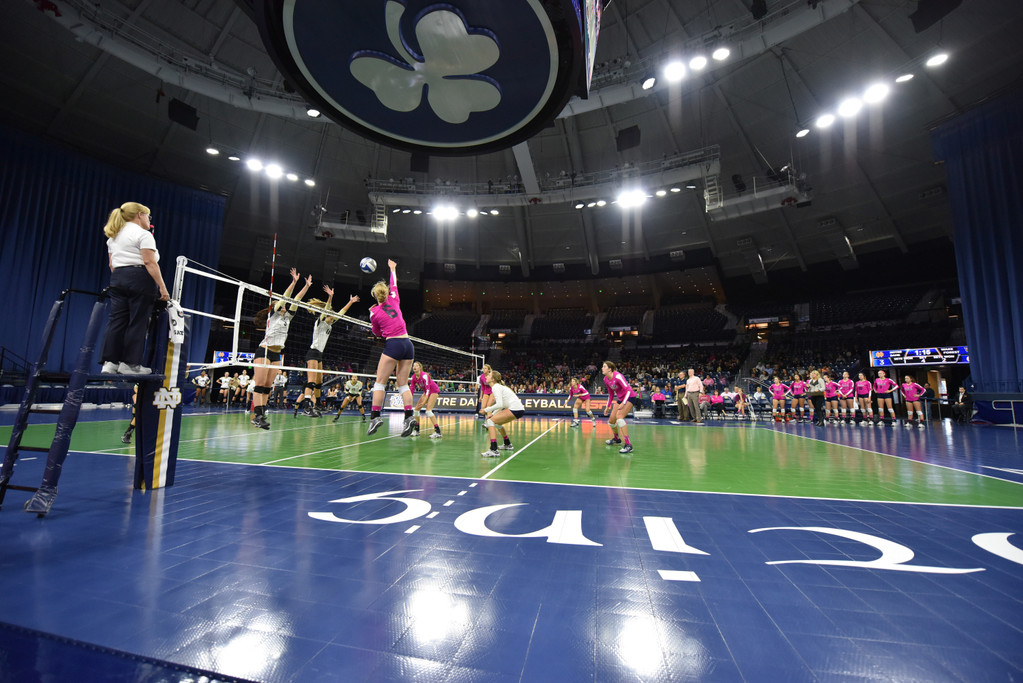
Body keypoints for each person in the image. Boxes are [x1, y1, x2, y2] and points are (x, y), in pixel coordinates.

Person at [99, 202, 170, 375]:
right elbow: (149, 262)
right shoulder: (143, 234)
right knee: (138, 321)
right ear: (139, 214)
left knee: (116, 320)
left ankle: (110, 363)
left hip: (117, 278)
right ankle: (130, 364)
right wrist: (163, 288)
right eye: (148, 216)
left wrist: (121, 279)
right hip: (139, 278)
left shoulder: (113, 236)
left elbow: (111, 264)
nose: (149, 220)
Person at [250, 268, 312, 430]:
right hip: (264, 350)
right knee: (260, 384)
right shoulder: (273, 315)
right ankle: (257, 416)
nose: (283, 305)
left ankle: (261, 416)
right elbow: (286, 297)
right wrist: (293, 282)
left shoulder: (288, 317)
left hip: (277, 353)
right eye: (280, 304)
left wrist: (306, 286)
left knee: (267, 387)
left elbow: (296, 300)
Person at [366, 259, 416, 437]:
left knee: (380, 382)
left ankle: (375, 417)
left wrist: (374, 315)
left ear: (375, 296)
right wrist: (393, 268)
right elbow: (394, 283)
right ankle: (409, 417)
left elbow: (377, 333)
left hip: (393, 344)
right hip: (408, 344)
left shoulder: (374, 312)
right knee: (403, 384)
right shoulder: (395, 300)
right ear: (387, 293)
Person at [295, 287, 358, 418]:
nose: (333, 318)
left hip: (319, 355)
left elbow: (341, 313)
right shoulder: (319, 323)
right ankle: (306, 407)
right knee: (311, 382)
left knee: (318, 382)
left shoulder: (329, 325)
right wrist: (330, 297)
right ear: (326, 316)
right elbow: (325, 310)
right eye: (331, 316)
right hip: (312, 353)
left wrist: (350, 302)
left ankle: (317, 404)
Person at [480, 370, 524, 457]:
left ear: (493, 379)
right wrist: (493, 414)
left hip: (515, 409)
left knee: (490, 422)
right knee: (497, 423)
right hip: (518, 409)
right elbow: (502, 405)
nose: (487, 376)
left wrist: (486, 410)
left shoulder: (496, 387)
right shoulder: (498, 387)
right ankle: (507, 444)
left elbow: (499, 404)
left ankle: (493, 450)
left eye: (489, 375)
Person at [602, 361, 639, 454]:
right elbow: (611, 394)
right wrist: (608, 406)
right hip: (621, 398)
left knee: (619, 417)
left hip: (630, 396)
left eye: (604, 366)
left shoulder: (618, 376)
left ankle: (628, 445)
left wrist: (624, 402)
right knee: (611, 421)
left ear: (609, 369)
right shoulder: (606, 379)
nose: (602, 368)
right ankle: (616, 439)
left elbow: (628, 390)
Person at [411, 362, 443, 438]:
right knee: (416, 410)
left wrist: (424, 401)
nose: (414, 367)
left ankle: (438, 432)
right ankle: (417, 430)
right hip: (426, 392)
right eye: (413, 366)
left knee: (428, 411)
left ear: (420, 368)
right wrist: (409, 398)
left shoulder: (424, 376)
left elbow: (428, 390)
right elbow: (412, 389)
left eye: (416, 365)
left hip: (433, 390)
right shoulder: (413, 377)